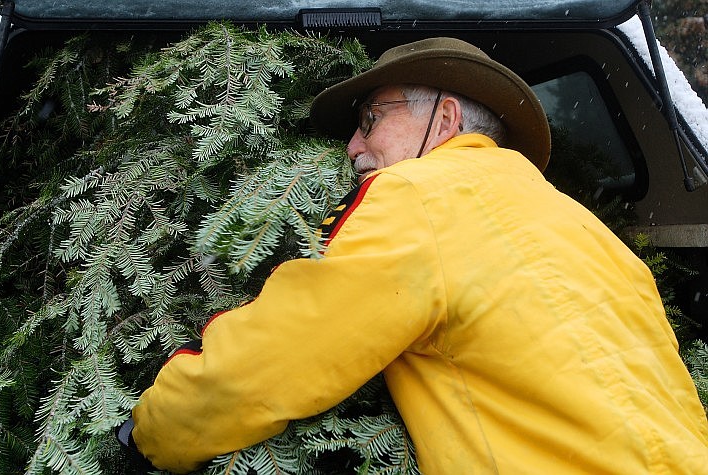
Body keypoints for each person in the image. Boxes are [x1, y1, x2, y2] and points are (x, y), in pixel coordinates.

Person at [128, 37, 708, 474]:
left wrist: (148, 431)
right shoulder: (585, 226)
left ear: (446, 120)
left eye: (372, 118)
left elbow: (264, 364)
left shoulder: (418, 195)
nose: (354, 146)